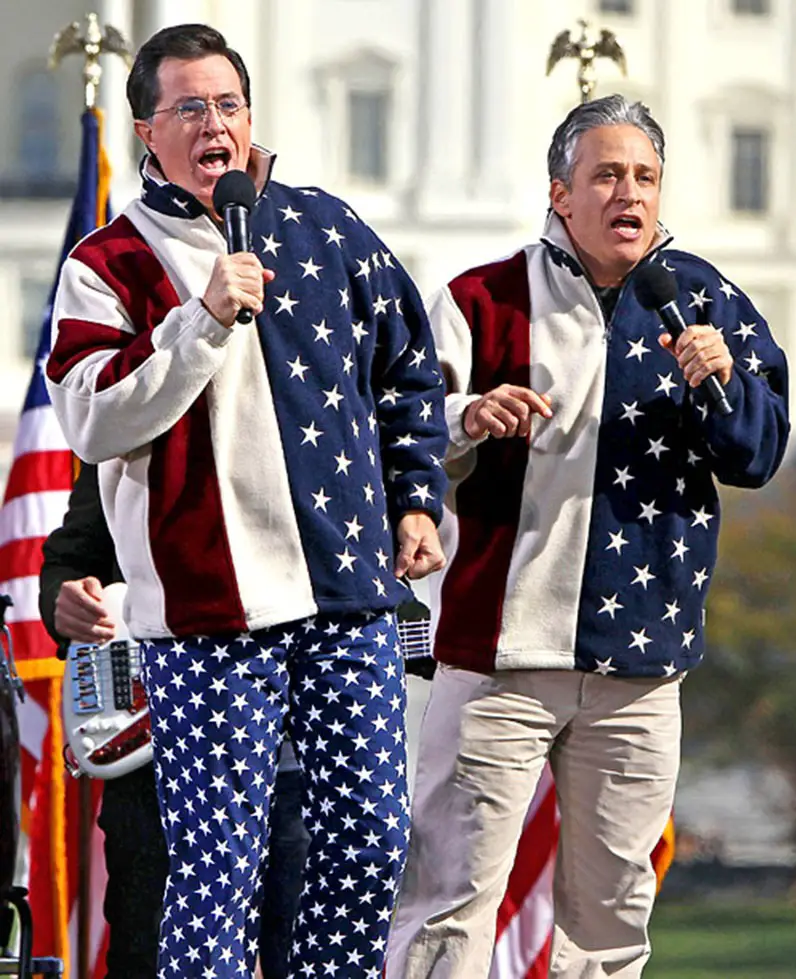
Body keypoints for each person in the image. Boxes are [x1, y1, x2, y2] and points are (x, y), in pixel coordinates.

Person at [45, 22, 448, 979]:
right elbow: (93, 421)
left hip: (346, 597)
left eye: (228, 104)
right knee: (217, 872)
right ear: (150, 131)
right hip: (207, 612)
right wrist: (201, 319)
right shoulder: (108, 264)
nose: (213, 124)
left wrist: (417, 499)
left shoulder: (327, 228)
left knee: (371, 844)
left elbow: (408, 372)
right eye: (189, 107)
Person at [386, 94, 790, 979]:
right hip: (495, 658)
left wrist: (723, 381)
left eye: (644, 176)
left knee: (611, 925)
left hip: (641, 670)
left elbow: (758, 453)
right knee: (448, 903)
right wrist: (467, 417)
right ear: (560, 193)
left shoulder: (707, 301)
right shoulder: (479, 299)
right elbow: (400, 432)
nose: (628, 193)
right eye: (606, 174)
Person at [39, 463, 310, 979]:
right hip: (156, 759)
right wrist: (63, 602)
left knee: (295, 950)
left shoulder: (317, 411)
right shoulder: (129, 418)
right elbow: (69, 560)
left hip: (288, 761)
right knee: (146, 947)